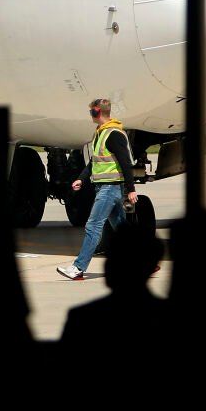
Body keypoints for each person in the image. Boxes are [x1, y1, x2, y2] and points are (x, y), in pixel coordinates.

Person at [57, 98, 138, 280]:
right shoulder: (100, 133)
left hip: (109, 189)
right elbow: (94, 161)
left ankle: (78, 268)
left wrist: (131, 189)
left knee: (93, 226)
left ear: (96, 112)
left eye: (91, 112)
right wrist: (81, 179)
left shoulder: (114, 134)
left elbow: (126, 163)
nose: (90, 115)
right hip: (106, 188)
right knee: (122, 228)